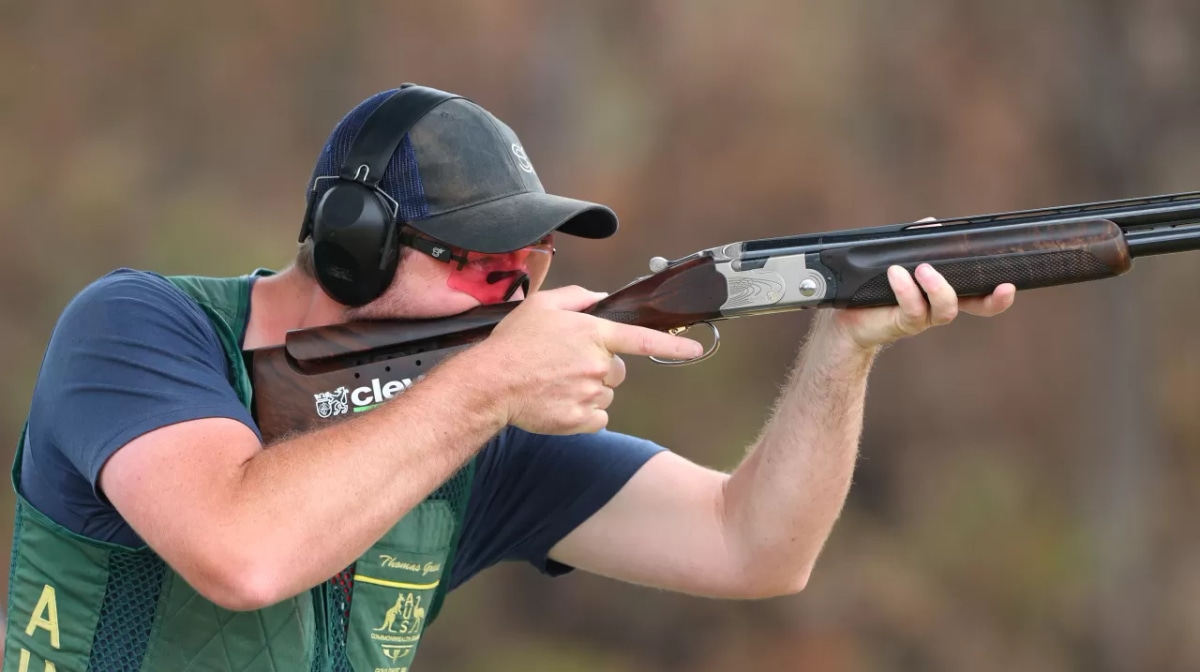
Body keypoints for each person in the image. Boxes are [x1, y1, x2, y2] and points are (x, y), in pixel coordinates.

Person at [3, 84, 1016, 671]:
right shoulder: (139, 331)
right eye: (487, 268)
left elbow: (753, 547)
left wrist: (846, 347)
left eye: (533, 271)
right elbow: (243, 553)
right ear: (351, 248)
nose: (516, 301)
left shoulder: (470, 427)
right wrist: (488, 389)